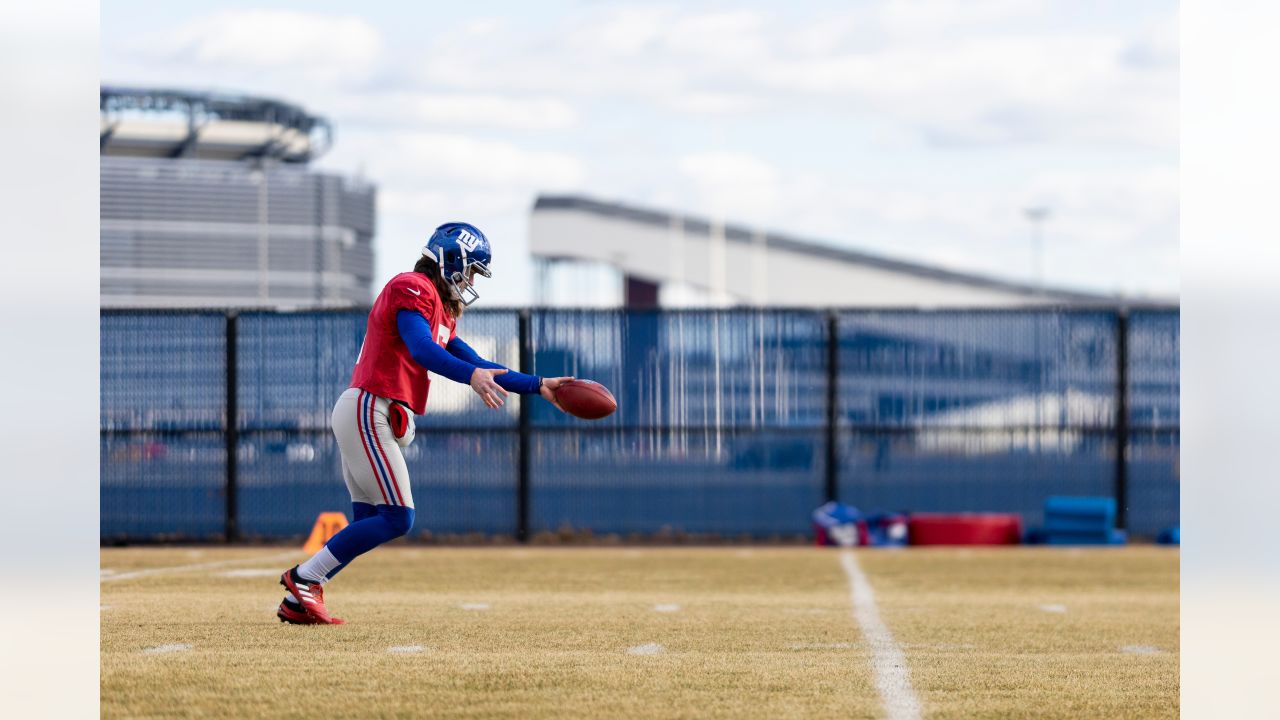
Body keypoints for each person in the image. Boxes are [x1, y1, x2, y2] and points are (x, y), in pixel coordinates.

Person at [277, 222, 573, 625]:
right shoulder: (412, 287)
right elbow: (421, 349)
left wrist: (539, 386)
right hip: (369, 407)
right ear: (452, 259)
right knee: (400, 517)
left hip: (368, 411)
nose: (470, 281)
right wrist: (470, 378)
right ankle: (304, 578)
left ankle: (299, 600)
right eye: (470, 270)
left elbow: (479, 364)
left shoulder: (438, 308)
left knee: (369, 522)